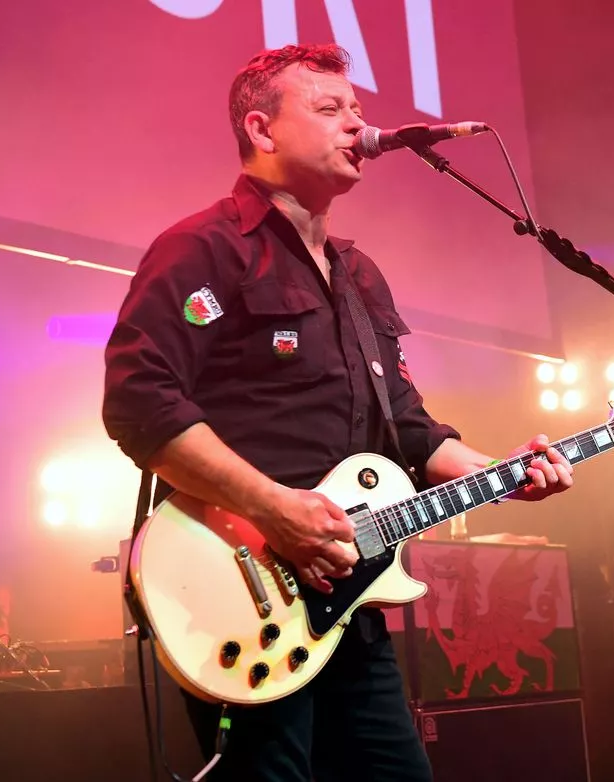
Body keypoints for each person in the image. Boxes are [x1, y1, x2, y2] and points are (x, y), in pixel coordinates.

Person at [102, 43, 573, 781]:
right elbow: (138, 402)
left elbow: (410, 430)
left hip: (346, 606)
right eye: (330, 111)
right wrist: (276, 508)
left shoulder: (359, 272)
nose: (359, 126)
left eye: (358, 110)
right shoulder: (202, 250)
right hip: (239, 592)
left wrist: (503, 472)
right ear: (261, 131)